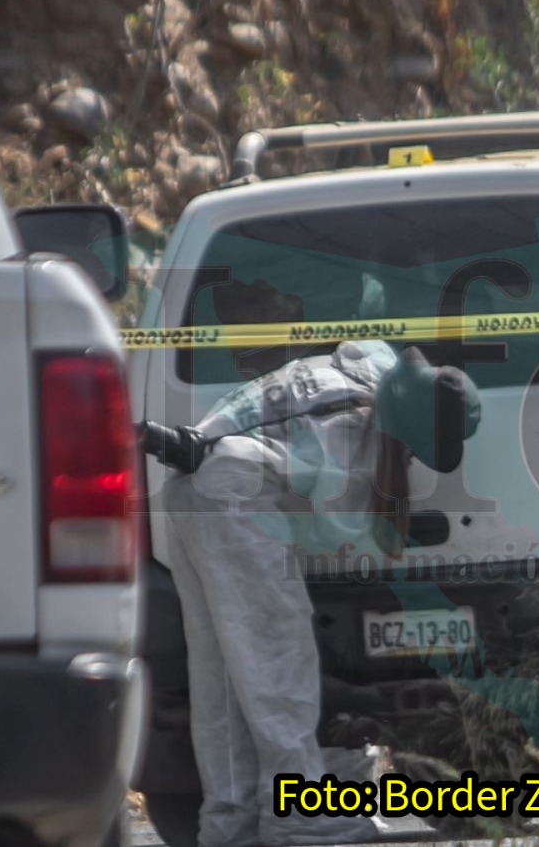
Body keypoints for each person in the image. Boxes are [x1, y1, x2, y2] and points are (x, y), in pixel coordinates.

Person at [157, 339, 479, 847]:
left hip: (186, 485)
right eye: (416, 448)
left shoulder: (354, 375)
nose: (411, 458)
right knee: (278, 657)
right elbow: (337, 532)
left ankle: (230, 821)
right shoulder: (350, 428)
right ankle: (299, 813)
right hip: (236, 492)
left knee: (222, 675)